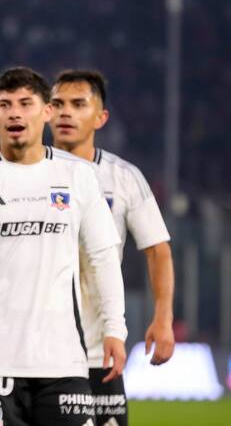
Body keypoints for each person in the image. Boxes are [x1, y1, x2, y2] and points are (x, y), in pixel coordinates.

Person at [0, 67, 126, 426]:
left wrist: (115, 329)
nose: (15, 112)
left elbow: (103, 255)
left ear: (47, 112)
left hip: (64, 362)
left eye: (26, 103)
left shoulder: (78, 177)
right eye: (5, 104)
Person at [49, 69, 175, 426]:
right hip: (35, 348)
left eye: (78, 104)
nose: (65, 113)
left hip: (99, 348)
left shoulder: (123, 177)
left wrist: (163, 318)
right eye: (57, 104)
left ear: (100, 117)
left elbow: (157, 249)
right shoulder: (24, 172)